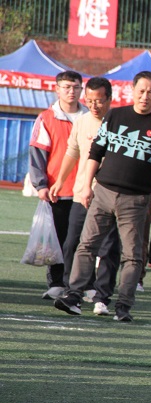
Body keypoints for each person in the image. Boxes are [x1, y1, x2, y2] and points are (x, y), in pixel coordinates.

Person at [53, 71, 151, 322]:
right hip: (103, 193)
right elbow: (96, 152)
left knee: (132, 256)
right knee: (86, 246)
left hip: (136, 201)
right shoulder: (116, 115)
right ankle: (74, 296)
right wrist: (86, 186)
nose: (145, 96)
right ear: (132, 90)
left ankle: (123, 306)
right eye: (141, 91)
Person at [50, 77, 121, 315]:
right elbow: (72, 152)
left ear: (109, 99)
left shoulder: (120, 123)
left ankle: (102, 296)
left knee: (108, 247)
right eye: (89, 100)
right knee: (73, 242)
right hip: (82, 193)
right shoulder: (81, 121)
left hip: (109, 195)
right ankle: (72, 290)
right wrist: (60, 180)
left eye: (99, 100)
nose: (93, 105)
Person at [29, 70, 87, 300]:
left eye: (76, 87)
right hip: (57, 190)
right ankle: (56, 282)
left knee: (84, 240)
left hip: (85, 190)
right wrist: (40, 184)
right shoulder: (46, 118)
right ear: (57, 89)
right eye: (66, 87)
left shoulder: (90, 116)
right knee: (58, 239)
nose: (71, 91)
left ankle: (84, 284)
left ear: (81, 89)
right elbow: (37, 153)